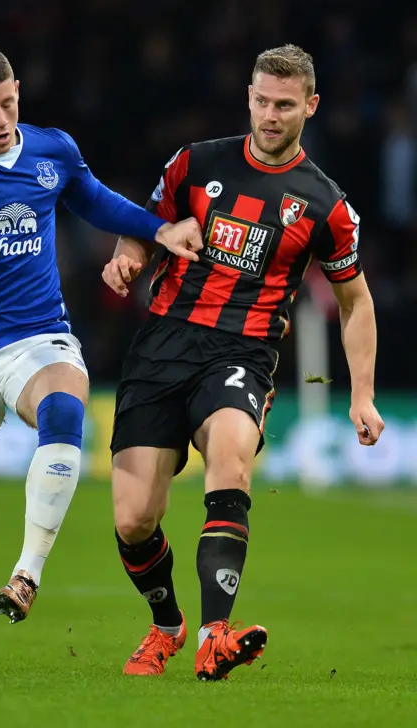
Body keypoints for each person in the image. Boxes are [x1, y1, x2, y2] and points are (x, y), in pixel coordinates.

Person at [0, 44, 202, 668]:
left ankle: (27, 573)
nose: (1, 120)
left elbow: (97, 201)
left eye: (9, 104)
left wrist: (158, 230)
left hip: (37, 337)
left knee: (63, 408)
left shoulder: (52, 149)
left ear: (19, 92)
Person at [102, 44, 385, 682]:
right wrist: (129, 258)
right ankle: (168, 626)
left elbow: (356, 301)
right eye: (261, 100)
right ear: (249, 96)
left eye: (285, 105)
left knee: (230, 455)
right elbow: (144, 226)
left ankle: (214, 635)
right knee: (133, 519)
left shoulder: (325, 205)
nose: (270, 115)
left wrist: (361, 394)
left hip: (243, 353)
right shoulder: (195, 165)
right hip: (163, 345)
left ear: (311, 107)